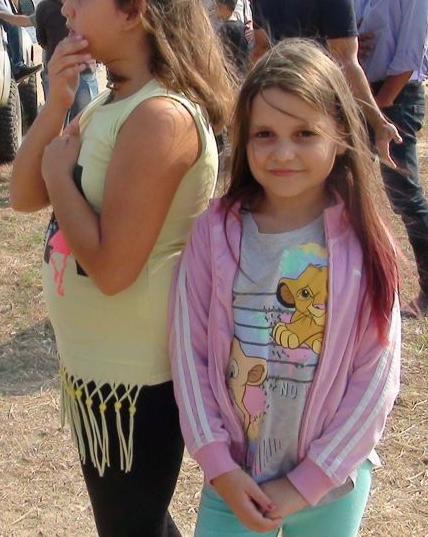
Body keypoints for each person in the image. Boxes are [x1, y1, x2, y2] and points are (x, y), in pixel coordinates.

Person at [9, 0, 233, 537]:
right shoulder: (111, 101)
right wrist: (57, 103)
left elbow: (112, 270)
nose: (65, 6)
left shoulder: (160, 116)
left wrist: (60, 176)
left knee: (131, 527)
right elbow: (24, 194)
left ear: (133, 9)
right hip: (98, 368)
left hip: (137, 376)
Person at [170, 40, 401, 536]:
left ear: (340, 135)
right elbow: (190, 357)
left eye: (304, 133)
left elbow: (376, 377)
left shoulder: (365, 241)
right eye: (264, 134)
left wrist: (307, 482)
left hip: (330, 485)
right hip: (233, 482)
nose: (283, 152)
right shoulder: (213, 233)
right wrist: (219, 465)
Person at [250, 0, 401, 166]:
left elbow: (260, 51)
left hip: (277, 106)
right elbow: (347, 63)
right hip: (321, 109)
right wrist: (378, 122)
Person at [352, 0, 428, 318]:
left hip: (396, 96)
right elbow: (349, 36)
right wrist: (353, 42)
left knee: (402, 191)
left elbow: (413, 48)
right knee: (346, 186)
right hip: (362, 94)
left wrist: (382, 105)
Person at [36, 0, 98, 119]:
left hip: (85, 73)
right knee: (54, 126)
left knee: (86, 125)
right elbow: (43, 41)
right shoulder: (44, 8)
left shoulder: (89, 2)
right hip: (56, 77)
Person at [214, 0, 249, 75]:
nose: (214, 9)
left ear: (224, 7)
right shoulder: (242, 26)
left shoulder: (225, 29)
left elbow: (223, 54)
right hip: (242, 71)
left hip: (229, 73)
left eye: (216, 6)